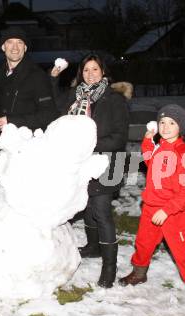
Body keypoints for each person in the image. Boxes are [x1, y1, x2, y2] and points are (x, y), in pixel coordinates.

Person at [118, 104, 185, 316]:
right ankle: (139, 274)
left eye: (172, 122)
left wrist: (167, 210)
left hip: (172, 213)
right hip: (151, 207)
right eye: (162, 122)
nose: (166, 126)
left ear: (181, 127)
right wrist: (147, 141)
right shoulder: (160, 147)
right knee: (143, 243)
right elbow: (150, 160)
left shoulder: (184, 154)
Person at [50, 53, 131, 288]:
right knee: (86, 206)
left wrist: (88, 144)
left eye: (95, 69)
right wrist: (54, 79)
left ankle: (109, 268)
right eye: (86, 70)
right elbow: (54, 105)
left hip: (105, 164)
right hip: (80, 164)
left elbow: (118, 138)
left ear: (103, 72)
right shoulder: (75, 97)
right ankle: (93, 247)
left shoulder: (114, 99)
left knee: (102, 212)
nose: (90, 74)